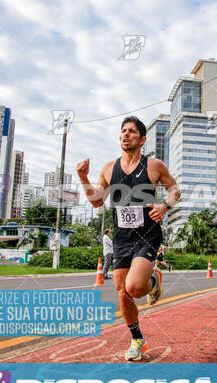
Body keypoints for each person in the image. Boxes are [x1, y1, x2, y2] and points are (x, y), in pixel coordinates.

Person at [77, 116, 180, 362]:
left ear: (142, 139)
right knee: (123, 292)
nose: (126, 135)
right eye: (123, 131)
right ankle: (137, 338)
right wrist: (83, 178)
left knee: (134, 288)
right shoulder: (108, 168)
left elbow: (175, 189)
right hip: (121, 237)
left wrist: (165, 206)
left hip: (147, 235)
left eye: (132, 132)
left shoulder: (154, 166)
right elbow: (97, 200)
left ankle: (152, 279)